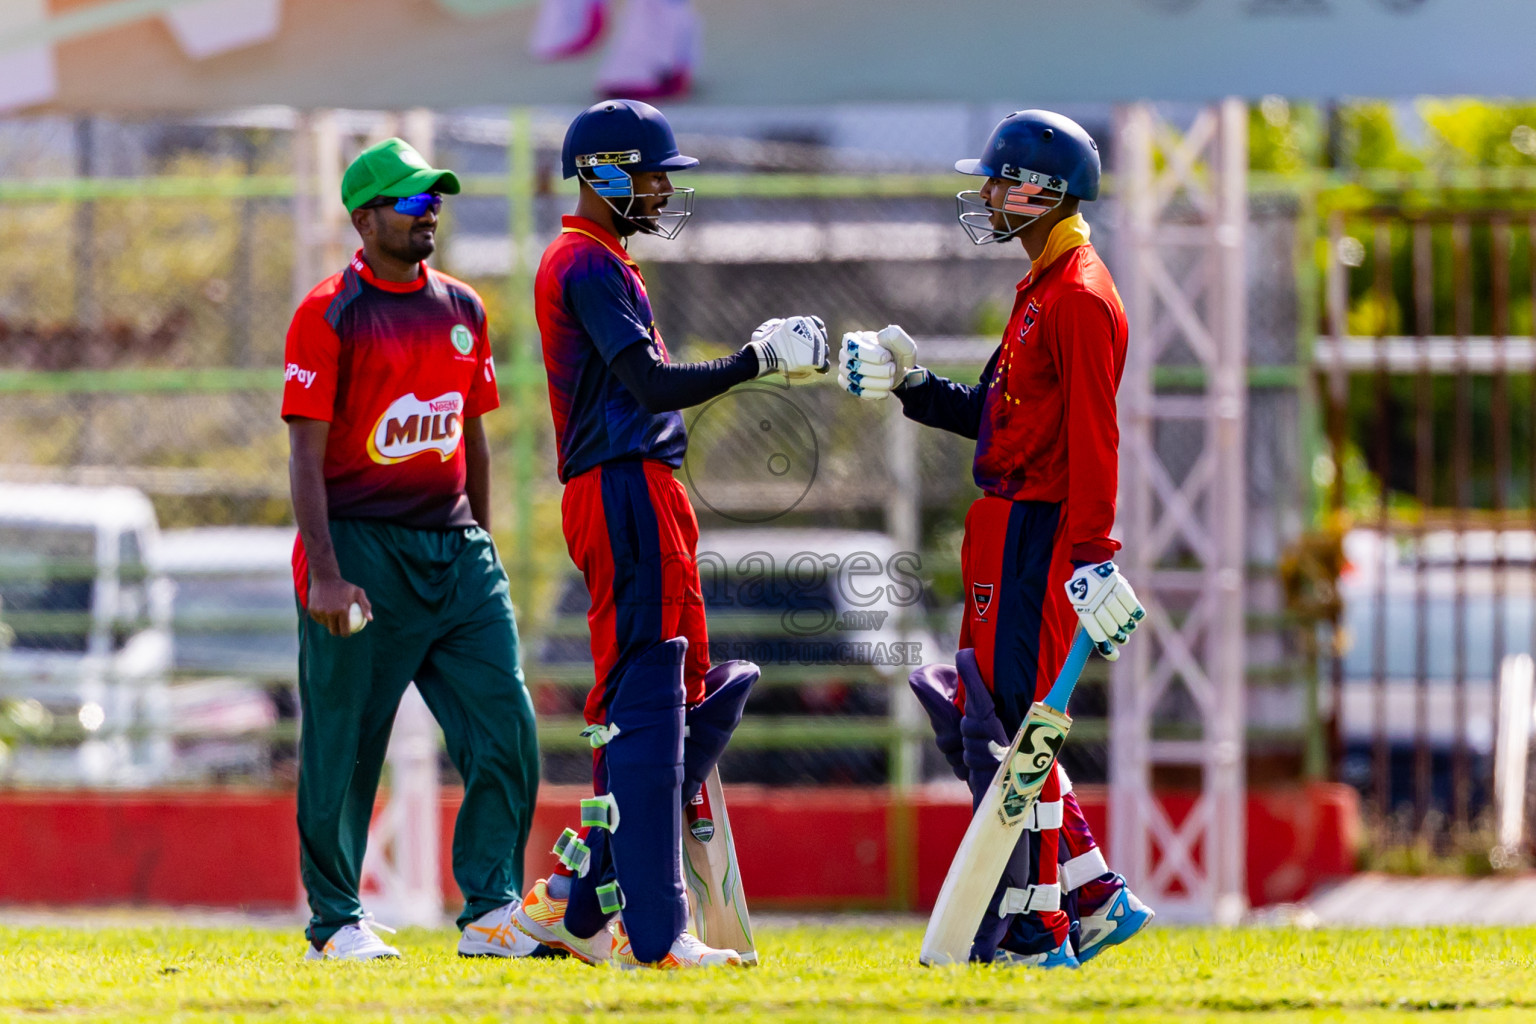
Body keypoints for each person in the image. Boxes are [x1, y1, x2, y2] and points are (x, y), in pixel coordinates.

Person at [509, 98, 827, 970]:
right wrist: (755, 360)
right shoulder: (585, 261)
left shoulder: (605, 258)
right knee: (647, 701)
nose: (661, 190)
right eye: (651, 175)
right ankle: (653, 933)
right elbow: (650, 385)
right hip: (622, 488)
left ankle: (579, 903)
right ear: (605, 174)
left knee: (673, 696)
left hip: (642, 488)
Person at [837, 109, 1153, 967]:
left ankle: (1041, 925)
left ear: (1044, 191)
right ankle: (1091, 892)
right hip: (1006, 522)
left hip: (1038, 529)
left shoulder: (1079, 295)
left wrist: (1093, 555)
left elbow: (1095, 436)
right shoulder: (1042, 288)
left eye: (999, 181)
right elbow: (995, 417)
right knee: (997, 720)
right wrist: (910, 384)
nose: (984, 195)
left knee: (1014, 729)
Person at [282, 137, 540, 961]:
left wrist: (484, 548)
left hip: (456, 548)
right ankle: (335, 922)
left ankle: (493, 911)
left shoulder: (464, 308)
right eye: (411, 201)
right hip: (360, 551)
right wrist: (326, 573)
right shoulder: (328, 312)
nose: (429, 213)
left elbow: (474, 439)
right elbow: (304, 456)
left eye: (436, 199)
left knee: (506, 725)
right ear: (364, 220)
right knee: (346, 742)